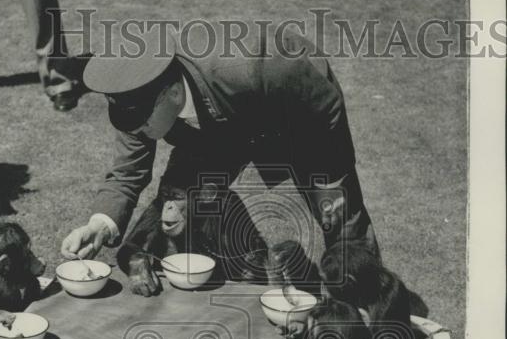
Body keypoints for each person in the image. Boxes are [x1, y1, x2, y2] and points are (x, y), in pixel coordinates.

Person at [60, 29, 379, 260]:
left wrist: (331, 177)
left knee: (336, 212)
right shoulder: (135, 92)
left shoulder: (255, 65)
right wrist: (98, 226)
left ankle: (369, 310)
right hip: (210, 126)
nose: (140, 132)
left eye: (145, 123)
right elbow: (126, 175)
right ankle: (204, 278)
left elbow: (320, 100)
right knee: (182, 200)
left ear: (171, 95)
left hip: (295, 107)